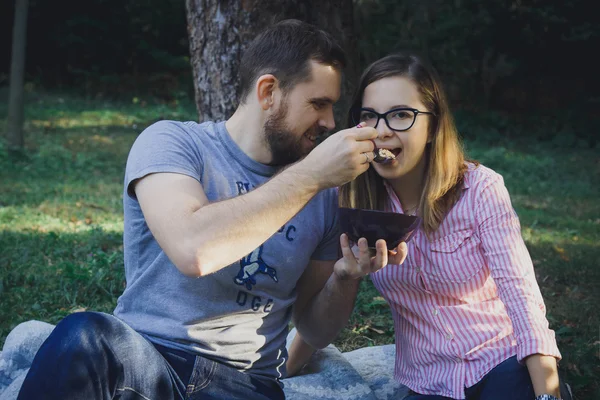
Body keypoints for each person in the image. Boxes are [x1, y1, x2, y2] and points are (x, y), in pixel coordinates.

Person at [17, 20, 408, 400]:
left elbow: (314, 330)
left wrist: (343, 277)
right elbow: (195, 250)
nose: (329, 122)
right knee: (81, 334)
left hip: (246, 383)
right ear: (268, 91)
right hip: (147, 360)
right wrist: (310, 175)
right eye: (318, 104)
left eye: (333, 107)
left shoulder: (323, 195)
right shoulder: (173, 143)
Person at [287, 53, 572, 400]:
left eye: (401, 115)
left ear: (433, 126)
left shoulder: (480, 189)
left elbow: (523, 299)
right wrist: (284, 368)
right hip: (428, 381)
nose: (383, 131)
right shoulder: (349, 199)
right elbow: (317, 309)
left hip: (499, 360)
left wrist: (548, 394)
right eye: (370, 117)